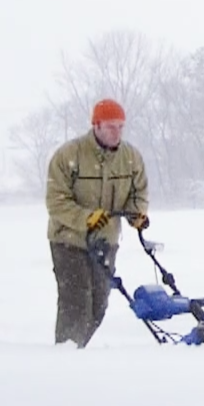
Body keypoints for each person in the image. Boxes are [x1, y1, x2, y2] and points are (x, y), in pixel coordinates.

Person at [45, 98, 149, 347]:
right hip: (68, 240)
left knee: (99, 303)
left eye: (121, 127)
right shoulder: (69, 155)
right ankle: (67, 353)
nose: (117, 133)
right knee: (76, 300)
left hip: (106, 241)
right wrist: (85, 219)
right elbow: (55, 200)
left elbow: (139, 192)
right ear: (97, 125)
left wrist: (137, 214)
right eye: (111, 127)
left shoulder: (131, 157)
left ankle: (78, 347)